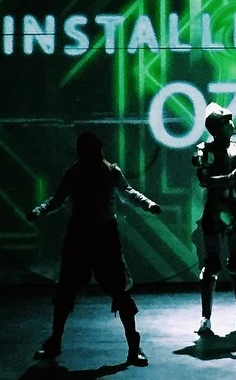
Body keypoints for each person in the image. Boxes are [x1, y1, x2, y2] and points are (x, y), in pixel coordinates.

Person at [26, 131, 161, 366]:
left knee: (118, 291)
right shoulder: (76, 173)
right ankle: (56, 341)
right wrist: (39, 211)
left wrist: (148, 204)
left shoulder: (108, 172)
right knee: (68, 291)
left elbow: (127, 193)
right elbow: (57, 200)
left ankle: (133, 345)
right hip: (83, 235)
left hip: (102, 235)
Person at [191, 102, 236, 335]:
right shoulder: (205, 150)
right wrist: (229, 177)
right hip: (215, 210)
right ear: (216, 127)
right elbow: (205, 180)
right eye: (226, 121)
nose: (231, 124)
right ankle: (205, 318)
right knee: (211, 265)